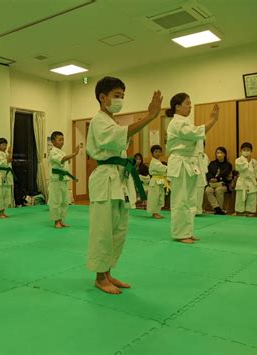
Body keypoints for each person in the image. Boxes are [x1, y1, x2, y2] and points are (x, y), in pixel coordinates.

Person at [86, 76, 162, 294]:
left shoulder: (111, 121)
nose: (121, 100)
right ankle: (100, 277)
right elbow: (119, 137)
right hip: (105, 178)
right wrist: (150, 116)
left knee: (118, 229)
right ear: (102, 97)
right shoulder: (98, 120)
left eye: (122, 96)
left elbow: (121, 136)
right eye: (117, 96)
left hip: (118, 178)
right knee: (103, 229)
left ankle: (108, 272)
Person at [166, 93, 219, 244]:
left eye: (190, 103)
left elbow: (196, 136)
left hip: (189, 162)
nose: (190, 106)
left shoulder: (185, 122)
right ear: (177, 106)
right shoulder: (177, 123)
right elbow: (196, 134)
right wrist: (212, 120)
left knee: (190, 200)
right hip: (180, 162)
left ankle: (187, 232)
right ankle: (180, 233)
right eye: (187, 103)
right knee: (180, 200)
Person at [48, 131, 81, 228]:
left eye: (63, 140)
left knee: (65, 201)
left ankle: (61, 219)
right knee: (56, 200)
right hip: (56, 179)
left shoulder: (62, 152)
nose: (62, 142)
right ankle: (56, 221)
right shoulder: (52, 151)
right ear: (53, 141)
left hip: (64, 179)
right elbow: (62, 160)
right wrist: (74, 154)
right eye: (59, 140)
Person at [235, 142, 257, 216]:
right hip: (242, 181)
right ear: (241, 151)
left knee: (252, 197)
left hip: (251, 182)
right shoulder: (238, 160)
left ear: (251, 151)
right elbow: (241, 168)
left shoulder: (254, 161)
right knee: (240, 198)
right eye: (244, 150)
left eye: (248, 150)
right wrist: (247, 161)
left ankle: (250, 212)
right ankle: (240, 212)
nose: (246, 151)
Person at [205, 147, 233, 214]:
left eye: (221, 153)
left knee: (218, 190)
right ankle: (217, 208)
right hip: (212, 183)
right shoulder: (212, 163)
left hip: (223, 184)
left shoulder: (228, 165)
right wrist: (211, 178)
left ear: (225, 154)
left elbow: (225, 174)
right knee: (208, 190)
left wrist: (217, 179)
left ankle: (219, 208)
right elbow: (208, 173)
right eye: (217, 153)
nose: (219, 154)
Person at [147, 145, 169, 219]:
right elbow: (161, 168)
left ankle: (157, 212)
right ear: (152, 153)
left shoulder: (158, 162)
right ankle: (154, 213)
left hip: (160, 181)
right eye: (156, 152)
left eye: (159, 152)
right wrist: (170, 168)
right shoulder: (154, 162)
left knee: (160, 197)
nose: (158, 153)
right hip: (155, 181)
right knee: (154, 197)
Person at [0, 138, 13, 219]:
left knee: (6, 195)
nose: (4, 146)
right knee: (0, 195)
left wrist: (9, 153)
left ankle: (3, 212)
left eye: (5, 144)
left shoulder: (4, 154)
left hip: (6, 175)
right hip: (0, 175)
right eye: (3, 145)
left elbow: (9, 160)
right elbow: (4, 163)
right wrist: (9, 153)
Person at [195, 141, 209, 215]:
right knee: (193, 194)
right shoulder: (193, 155)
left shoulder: (205, 156)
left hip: (202, 177)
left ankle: (198, 210)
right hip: (194, 176)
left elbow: (206, 168)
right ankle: (193, 210)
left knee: (200, 194)